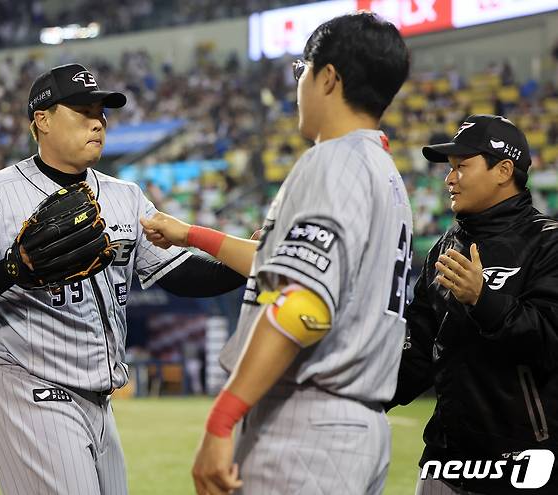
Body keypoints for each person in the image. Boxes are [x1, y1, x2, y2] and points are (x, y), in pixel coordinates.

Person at [0, 63, 245, 495]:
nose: (98, 121)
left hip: (99, 399)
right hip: (28, 387)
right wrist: (12, 269)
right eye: (81, 110)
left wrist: (247, 261)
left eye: (101, 111)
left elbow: (183, 273)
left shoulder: (124, 195)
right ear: (42, 120)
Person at [141, 12, 411, 494]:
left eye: (302, 70)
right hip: (354, 430)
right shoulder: (383, 172)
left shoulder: (333, 161)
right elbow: (277, 264)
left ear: (329, 77)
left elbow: (303, 305)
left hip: (305, 426)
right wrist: (190, 235)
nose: (298, 84)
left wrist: (223, 419)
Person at [386, 114, 558, 494]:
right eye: (449, 169)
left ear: (503, 170)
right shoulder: (444, 249)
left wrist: (483, 299)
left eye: (461, 167)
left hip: (522, 466)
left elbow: (549, 341)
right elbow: (417, 351)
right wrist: (364, 398)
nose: (449, 179)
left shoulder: (549, 244)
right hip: (445, 462)